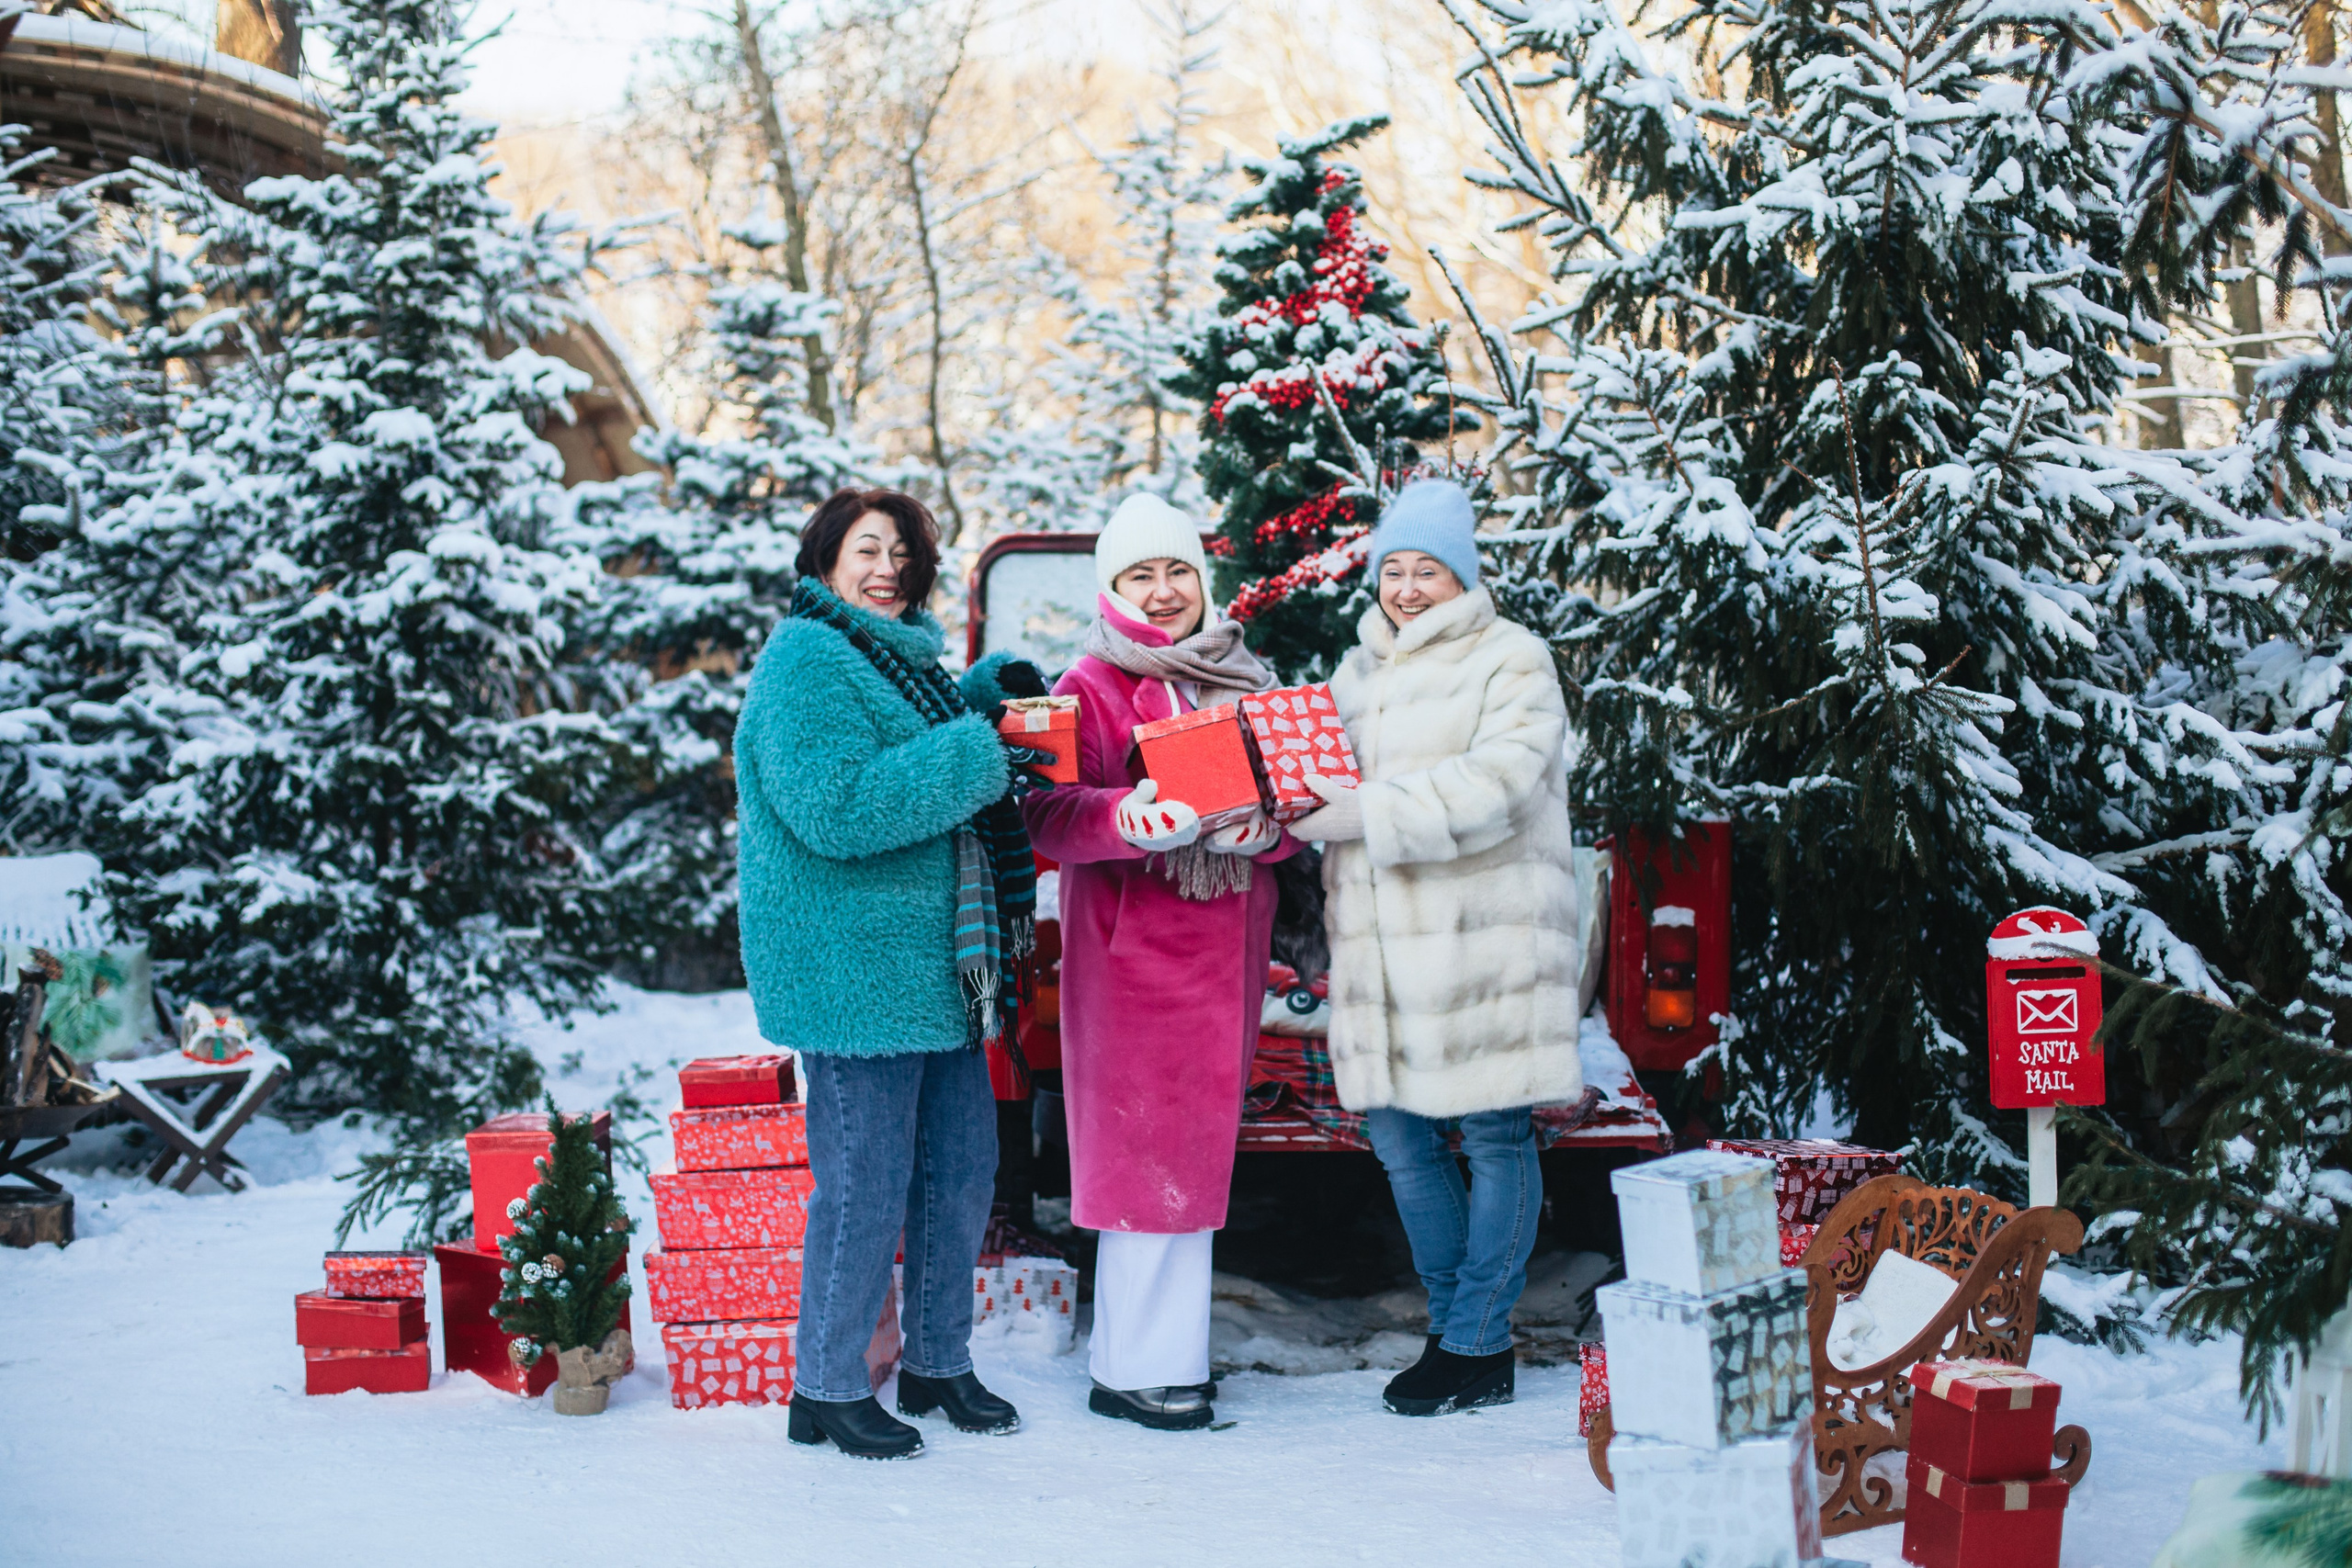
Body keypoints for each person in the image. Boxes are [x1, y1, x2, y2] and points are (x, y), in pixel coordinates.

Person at [734, 485, 1047, 1460]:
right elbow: (837, 809)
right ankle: (824, 1385)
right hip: (855, 972)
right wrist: (974, 749)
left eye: (903, 556)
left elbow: (927, 741)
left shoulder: (895, 659)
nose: (886, 571)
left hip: (938, 971)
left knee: (960, 1174)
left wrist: (986, 694)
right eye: (868, 550)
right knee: (865, 1184)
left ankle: (937, 1361)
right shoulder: (805, 662)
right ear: (824, 557)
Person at [1291, 478, 1584, 1417]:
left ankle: (1470, 1342)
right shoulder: (1355, 672)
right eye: (1395, 570)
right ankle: (1461, 1330)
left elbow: (1499, 780)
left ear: (1464, 576)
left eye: (1428, 571)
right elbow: (1309, 775)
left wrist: (1364, 813)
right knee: (1399, 1141)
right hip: (1380, 953)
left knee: (1495, 1135)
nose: (1408, 588)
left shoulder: (1512, 658)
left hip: (1480, 944)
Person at [1019, 492, 1294, 1431]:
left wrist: (1268, 834)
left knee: (1194, 1158)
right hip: (1134, 958)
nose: (1164, 589)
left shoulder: (1245, 677)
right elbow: (1047, 815)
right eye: (1142, 574)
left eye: (1178, 570)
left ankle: (1173, 1358)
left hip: (1227, 952)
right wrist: (1121, 818)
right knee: (1139, 1156)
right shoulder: (1087, 682)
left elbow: (1296, 812)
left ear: (1202, 578)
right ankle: (1129, 1367)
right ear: (1113, 587)